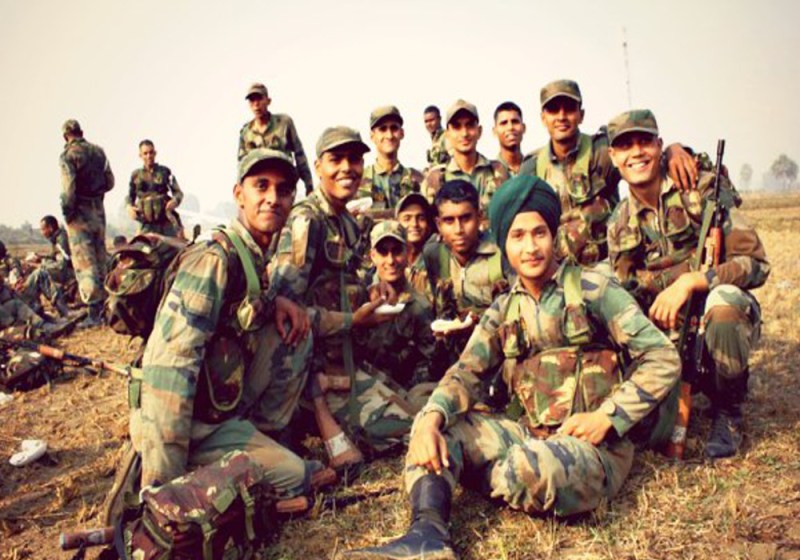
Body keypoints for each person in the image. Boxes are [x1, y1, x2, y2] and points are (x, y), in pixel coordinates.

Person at [344, 175, 681, 560]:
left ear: (554, 235)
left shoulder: (594, 289)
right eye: (518, 236)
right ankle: (427, 535)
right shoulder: (503, 308)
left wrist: (607, 417)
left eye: (539, 233)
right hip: (526, 432)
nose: (531, 247)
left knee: (536, 470)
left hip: (592, 446)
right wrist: (431, 417)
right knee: (435, 432)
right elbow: (465, 373)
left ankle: (474, 473)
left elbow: (662, 356)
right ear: (504, 243)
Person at [133, 149, 374, 494]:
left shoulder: (254, 256)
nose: (273, 198)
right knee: (296, 477)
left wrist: (279, 303)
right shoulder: (214, 259)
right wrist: (162, 486)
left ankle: (264, 441)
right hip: (186, 426)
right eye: (261, 186)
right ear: (239, 195)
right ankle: (195, 470)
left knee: (296, 329)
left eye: (283, 190)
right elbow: (169, 370)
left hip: (221, 408)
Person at [605, 110, 770, 459]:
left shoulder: (702, 189)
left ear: (659, 146)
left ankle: (728, 410)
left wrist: (695, 281)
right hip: (667, 331)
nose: (636, 152)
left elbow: (755, 263)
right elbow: (626, 289)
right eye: (625, 145)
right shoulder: (618, 222)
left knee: (724, 304)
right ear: (613, 157)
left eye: (644, 141)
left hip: (710, 316)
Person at [274, 126, 416, 461]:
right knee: (406, 430)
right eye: (336, 159)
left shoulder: (346, 222)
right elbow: (286, 317)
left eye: (354, 159)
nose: (346, 168)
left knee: (415, 409)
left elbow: (345, 281)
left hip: (346, 362)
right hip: (313, 372)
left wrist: (373, 288)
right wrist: (354, 321)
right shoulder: (307, 221)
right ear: (318, 166)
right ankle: (307, 416)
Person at [519, 79, 696, 266]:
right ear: (543, 118)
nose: (562, 116)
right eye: (553, 110)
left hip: (606, 264)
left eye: (569, 109)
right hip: (557, 267)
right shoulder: (532, 167)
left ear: (581, 115)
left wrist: (674, 150)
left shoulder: (601, 151)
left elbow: (642, 161)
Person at [356, 220, 443, 406]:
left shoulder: (419, 307)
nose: (390, 260)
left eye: (396, 251)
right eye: (383, 252)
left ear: (407, 254)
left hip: (398, 395)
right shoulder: (360, 295)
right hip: (359, 387)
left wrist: (406, 394)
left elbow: (428, 361)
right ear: (372, 256)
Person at [59, 119, 114, 328]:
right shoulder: (99, 152)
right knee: (100, 259)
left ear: (65, 136)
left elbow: (68, 188)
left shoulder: (68, 156)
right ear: (81, 132)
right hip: (98, 211)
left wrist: (68, 213)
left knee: (85, 263)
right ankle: (108, 308)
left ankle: (94, 314)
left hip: (79, 214)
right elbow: (110, 182)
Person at [422, 100, 509, 219]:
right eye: (457, 127)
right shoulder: (436, 179)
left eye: (470, 125)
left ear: (479, 131)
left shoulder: (498, 172)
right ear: (447, 134)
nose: (464, 133)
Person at [238, 82, 314, 195]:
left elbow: (299, 154)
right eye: (252, 100)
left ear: (268, 101)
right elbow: (242, 165)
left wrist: (309, 185)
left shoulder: (284, 123)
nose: (256, 104)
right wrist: (242, 191)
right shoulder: (246, 132)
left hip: (284, 181)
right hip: (260, 187)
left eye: (259, 99)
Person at [357, 106, 423, 220]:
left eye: (394, 128)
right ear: (372, 136)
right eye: (382, 129)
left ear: (402, 133)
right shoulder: (359, 181)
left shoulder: (417, 180)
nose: (389, 135)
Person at [17, 215, 72, 318]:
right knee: (34, 271)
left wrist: (39, 265)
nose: (42, 233)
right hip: (65, 269)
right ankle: (36, 308)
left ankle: (61, 309)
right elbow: (54, 257)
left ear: (50, 228)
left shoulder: (61, 240)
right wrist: (40, 258)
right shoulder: (57, 238)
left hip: (69, 272)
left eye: (43, 229)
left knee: (40, 274)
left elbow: (61, 265)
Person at [126, 140, 184, 237]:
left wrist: (175, 201)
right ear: (140, 155)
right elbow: (130, 196)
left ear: (155, 153)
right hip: (146, 224)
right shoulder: (136, 175)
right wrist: (129, 207)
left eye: (151, 152)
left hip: (166, 222)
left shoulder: (165, 172)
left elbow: (178, 192)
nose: (149, 156)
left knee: (177, 244)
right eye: (145, 153)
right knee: (139, 245)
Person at [395, 193, 436, 296]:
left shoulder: (436, 260)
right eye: (407, 219)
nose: (414, 224)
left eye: (421, 218)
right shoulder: (389, 260)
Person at [492, 101, 530, 176]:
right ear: (495, 131)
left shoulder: (534, 168)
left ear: (523, 128)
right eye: (504, 123)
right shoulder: (489, 172)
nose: (510, 127)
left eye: (515, 122)